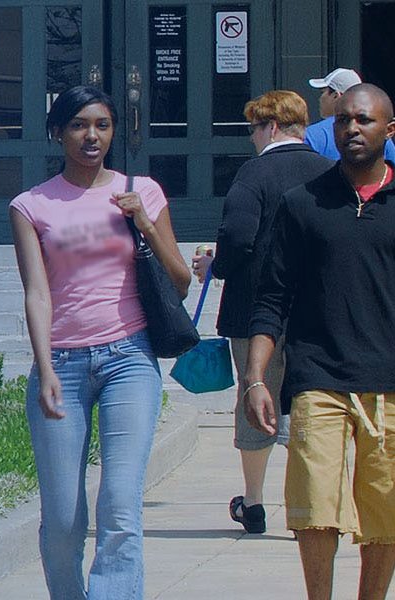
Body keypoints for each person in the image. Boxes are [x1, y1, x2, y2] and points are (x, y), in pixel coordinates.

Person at [7, 85, 190, 599]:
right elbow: (37, 294)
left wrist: (144, 223)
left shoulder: (144, 191)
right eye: (80, 125)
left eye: (103, 125)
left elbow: (179, 282)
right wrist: (43, 369)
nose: (92, 136)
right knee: (63, 520)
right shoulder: (31, 205)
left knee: (120, 505)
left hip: (128, 359)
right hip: (61, 364)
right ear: (59, 131)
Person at [245, 83, 395, 600]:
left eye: (366, 120)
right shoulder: (301, 203)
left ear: (388, 131)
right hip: (316, 378)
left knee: (386, 515)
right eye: (345, 120)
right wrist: (256, 378)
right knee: (314, 509)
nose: (353, 128)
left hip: (390, 383)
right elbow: (273, 297)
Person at [194, 90, 333, 535]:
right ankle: (307, 504)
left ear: (270, 127)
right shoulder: (331, 171)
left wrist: (217, 266)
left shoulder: (254, 173)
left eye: (253, 129)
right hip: (318, 311)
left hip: (256, 312)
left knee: (257, 398)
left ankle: (253, 503)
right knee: (310, 407)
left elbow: (237, 233)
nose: (252, 138)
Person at [304, 68, 395, 162]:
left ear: (336, 95)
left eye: (323, 92)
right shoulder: (380, 135)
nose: (352, 129)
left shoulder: (312, 134)